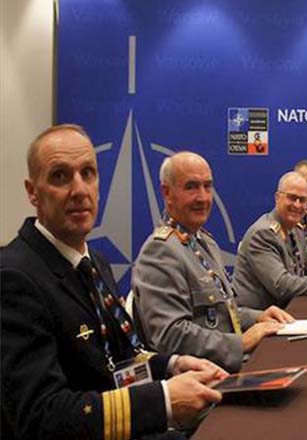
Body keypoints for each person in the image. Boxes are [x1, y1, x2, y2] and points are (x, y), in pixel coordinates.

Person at [1, 124, 227, 440]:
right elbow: (40, 417)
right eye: (60, 176)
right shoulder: (14, 277)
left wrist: (172, 366)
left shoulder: (95, 262)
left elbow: (118, 360)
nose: (79, 190)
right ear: (32, 192)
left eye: (88, 173)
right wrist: (163, 400)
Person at [131, 152, 294, 373]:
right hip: (205, 379)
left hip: (230, 364)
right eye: (191, 187)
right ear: (167, 193)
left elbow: (222, 313)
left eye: (207, 187)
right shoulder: (160, 251)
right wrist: (241, 343)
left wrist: (258, 317)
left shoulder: (205, 242)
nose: (203, 197)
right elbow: (169, 336)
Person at [234, 172, 307, 310]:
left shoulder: (296, 228)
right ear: (277, 198)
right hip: (260, 316)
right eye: (292, 198)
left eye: (303, 200)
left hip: (286, 309)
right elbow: (281, 285)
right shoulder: (263, 233)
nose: (297, 205)